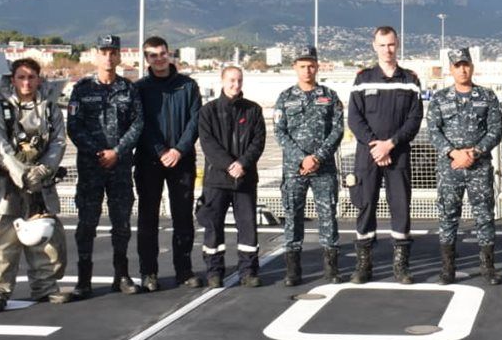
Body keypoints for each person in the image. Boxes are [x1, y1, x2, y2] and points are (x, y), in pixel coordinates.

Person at [0, 58, 70, 311]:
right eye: (21, 77)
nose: (27, 82)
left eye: (31, 77)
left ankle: (45, 287)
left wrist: (42, 170)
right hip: (7, 185)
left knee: (46, 239)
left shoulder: (50, 110)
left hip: (42, 183)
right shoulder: (0, 111)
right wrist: (22, 174)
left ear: (39, 79)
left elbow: (58, 143)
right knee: (2, 242)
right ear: (13, 80)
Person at [66, 34, 144, 299]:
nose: (108, 57)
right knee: (86, 224)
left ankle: (121, 275)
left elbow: (137, 124)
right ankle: (83, 280)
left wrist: (117, 152)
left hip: (120, 168)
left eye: (113, 52)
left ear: (119, 56)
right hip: (91, 168)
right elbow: (74, 126)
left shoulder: (128, 89)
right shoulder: (82, 89)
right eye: (104, 52)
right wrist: (97, 152)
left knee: (121, 224)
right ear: (95, 55)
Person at [347, 26, 424, 284]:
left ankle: (401, 267)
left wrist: (390, 144)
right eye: (382, 45)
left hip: (397, 154)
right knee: (365, 205)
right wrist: (375, 146)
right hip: (368, 155)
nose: (387, 50)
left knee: (400, 206)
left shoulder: (410, 80)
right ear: (374, 46)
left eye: (391, 44)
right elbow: (354, 118)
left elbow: (414, 119)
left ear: (397, 44)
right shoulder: (363, 79)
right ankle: (364, 265)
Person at [428, 47, 502, 285]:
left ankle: (488, 267)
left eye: (466, 65)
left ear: (472, 67)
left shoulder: (487, 96)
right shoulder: (439, 98)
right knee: (448, 216)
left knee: (484, 216)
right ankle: (447, 268)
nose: (462, 70)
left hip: (479, 166)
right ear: (451, 69)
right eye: (457, 66)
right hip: (450, 166)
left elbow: (496, 130)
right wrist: (454, 153)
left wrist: (474, 152)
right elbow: (434, 131)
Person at [135, 36, 203, 291]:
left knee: (183, 217)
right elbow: (140, 124)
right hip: (148, 161)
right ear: (146, 59)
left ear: (169, 54)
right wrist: (161, 150)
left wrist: (178, 150)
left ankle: (184, 270)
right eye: (153, 55)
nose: (159, 59)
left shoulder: (188, 86)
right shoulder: (139, 88)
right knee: (148, 219)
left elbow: (195, 121)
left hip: (182, 161)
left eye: (162, 53)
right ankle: (148, 273)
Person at [274, 46, 345, 286]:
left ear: (317, 67)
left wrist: (317, 158)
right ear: (295, 67)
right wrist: (301, 159)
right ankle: (293, 270)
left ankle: (331, 269)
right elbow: (280, 132)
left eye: (311, 65)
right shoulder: (285, 97)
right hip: (294, 170)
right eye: (303, 66)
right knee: (293, 216)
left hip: (323, 169)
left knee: (328, 217)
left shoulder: (330, 96)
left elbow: (337, 130)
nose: (307, 70)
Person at [198, 65, 266, 288]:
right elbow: (208, 144)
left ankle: (248, 271)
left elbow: (258, 141)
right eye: (231, 80)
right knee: (213, 227)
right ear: (222, 80)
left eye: (239, 80)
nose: (236, 85)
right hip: (216, 180)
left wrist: (243, 164)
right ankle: (214, 272)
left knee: (247, 227)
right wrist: (229, 165)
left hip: (245, 180)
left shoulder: (253, 110)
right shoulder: (208, 111)